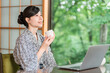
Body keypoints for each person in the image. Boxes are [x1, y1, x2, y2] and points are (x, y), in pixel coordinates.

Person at [13, 6, 56, 71]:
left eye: (41, 15)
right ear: (28, 20)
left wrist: (47, 46)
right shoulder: (22, 39)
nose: (41, 18)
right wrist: (43, 48)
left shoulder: (41, 38)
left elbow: (51, 64)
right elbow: (28, 67)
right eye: (36, 15)